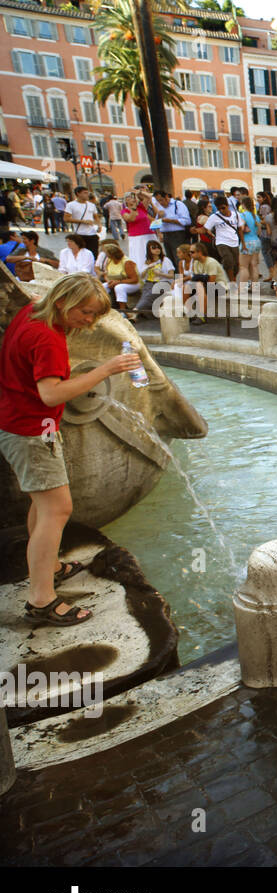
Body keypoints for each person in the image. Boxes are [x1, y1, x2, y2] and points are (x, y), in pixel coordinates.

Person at [0, 274, 142, 626]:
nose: (90, 322)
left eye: (95, 315)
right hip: (33, 432)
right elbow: (51, 394)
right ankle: (42, 601)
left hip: (17, 423)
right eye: (86, 313)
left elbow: (34, 296)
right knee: (58, 509)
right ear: (63, 302)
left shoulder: (34, 311)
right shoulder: (47, 337)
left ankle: (47, 568)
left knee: (44, 503)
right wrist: (106, 369)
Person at [101, 243, 141, 309]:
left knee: (119, 288)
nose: (105, 254)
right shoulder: (109, 260)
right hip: (115, 282)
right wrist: (109, 281)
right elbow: (106, 274)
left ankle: (123, 310)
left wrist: (118, 282)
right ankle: (105, 307)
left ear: (111, 254)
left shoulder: (126, 262)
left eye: (106, 253)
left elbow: (134, 279)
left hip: (132, 284)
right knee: (103, 286)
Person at [64, 187, 101, 259]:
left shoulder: (91, 205)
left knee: (94, 255)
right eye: (85, 193)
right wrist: (83, 221)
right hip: (80, 234)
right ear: (78, 193)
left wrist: (99, 225)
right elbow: (66, 218)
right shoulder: (71, 205)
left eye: (87, 193)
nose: (87, 195)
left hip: (92, 234)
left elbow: (96, 217)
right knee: (80, 255)